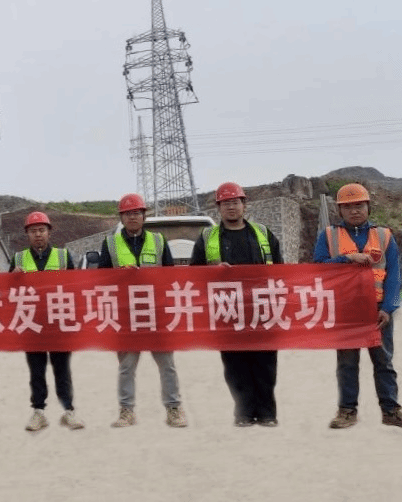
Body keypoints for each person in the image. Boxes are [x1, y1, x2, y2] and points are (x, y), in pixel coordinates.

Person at [189, 182, 284, 427]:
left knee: (265, 364)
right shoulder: (208, 237)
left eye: (235, 202)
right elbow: (193, 273)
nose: (231, 207)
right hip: (227, 310)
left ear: (244, 204)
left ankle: (267, 414)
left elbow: (280, 269)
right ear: (218, 208)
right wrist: (213, 270)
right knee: (235, 366)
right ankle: (243, 414)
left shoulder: (262, 233)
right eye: (226, 203)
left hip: (261, 308)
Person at [314, 182, 402, 429]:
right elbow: (318, 268)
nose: (354, 211)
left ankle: (391, 410)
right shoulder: (328, 236)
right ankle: (347, 411)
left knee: (384, 362)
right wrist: (347, 259)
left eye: (359, 205)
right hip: (346, 310)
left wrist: (388, 308)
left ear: (368, 207)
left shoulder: (384, 236)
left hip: (378, 311)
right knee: (347, 363)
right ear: (339, 210)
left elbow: (395, 276)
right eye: (348, 206)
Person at [98, 194, 187, 429]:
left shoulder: (158, 241)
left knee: (167, 365)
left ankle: (174, 409)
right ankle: (126, 411)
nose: (132, 217)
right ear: (121, 218)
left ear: (144, 216)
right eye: (128, 214)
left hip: (156, 313)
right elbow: (101, 279)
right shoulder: (110, 244)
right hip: (126, 315)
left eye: (137, 213)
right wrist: (119, 275)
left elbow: (169, 275)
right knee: (126, 367)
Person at [11, 212, 84, 432]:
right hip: (32, 323)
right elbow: (9, 292)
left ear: (49, 232)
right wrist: (13, 277)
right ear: (27, 234)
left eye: (42, 230)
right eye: (33, 231)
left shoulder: (63, 256)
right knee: (36, 370)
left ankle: (68, 410)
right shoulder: (18, 259)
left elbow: (74, 288)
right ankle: (39, 411)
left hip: (58, 323)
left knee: (62, 370)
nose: (38, 234)